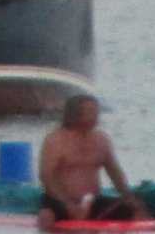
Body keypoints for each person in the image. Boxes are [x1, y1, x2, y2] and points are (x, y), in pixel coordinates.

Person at [35, 95, 142, 227]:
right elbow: (46, 176)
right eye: (91, 111)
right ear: (76, 114)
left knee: (134, 213)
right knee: (46, 217)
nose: (97, 115)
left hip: (92, 200)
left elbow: (114, 172)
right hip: (59, 200)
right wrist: (68, 204)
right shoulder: (55, 140)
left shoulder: (102, 140)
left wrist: (127, 195)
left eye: (97, 111)